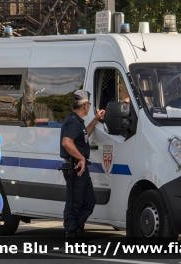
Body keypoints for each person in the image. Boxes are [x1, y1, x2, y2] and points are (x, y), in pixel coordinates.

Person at [60, 90, 105, 243]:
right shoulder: (73, 122)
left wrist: (96, 119)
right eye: (89, 105)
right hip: (75, 168)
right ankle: (72, 235)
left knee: (88, 201)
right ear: (85, 106)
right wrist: (81, 158)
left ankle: (78, 229)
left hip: (80, 167)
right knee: (74, 203)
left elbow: (84, 134)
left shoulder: (78, 122)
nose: (89, 107)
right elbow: (67, 142)